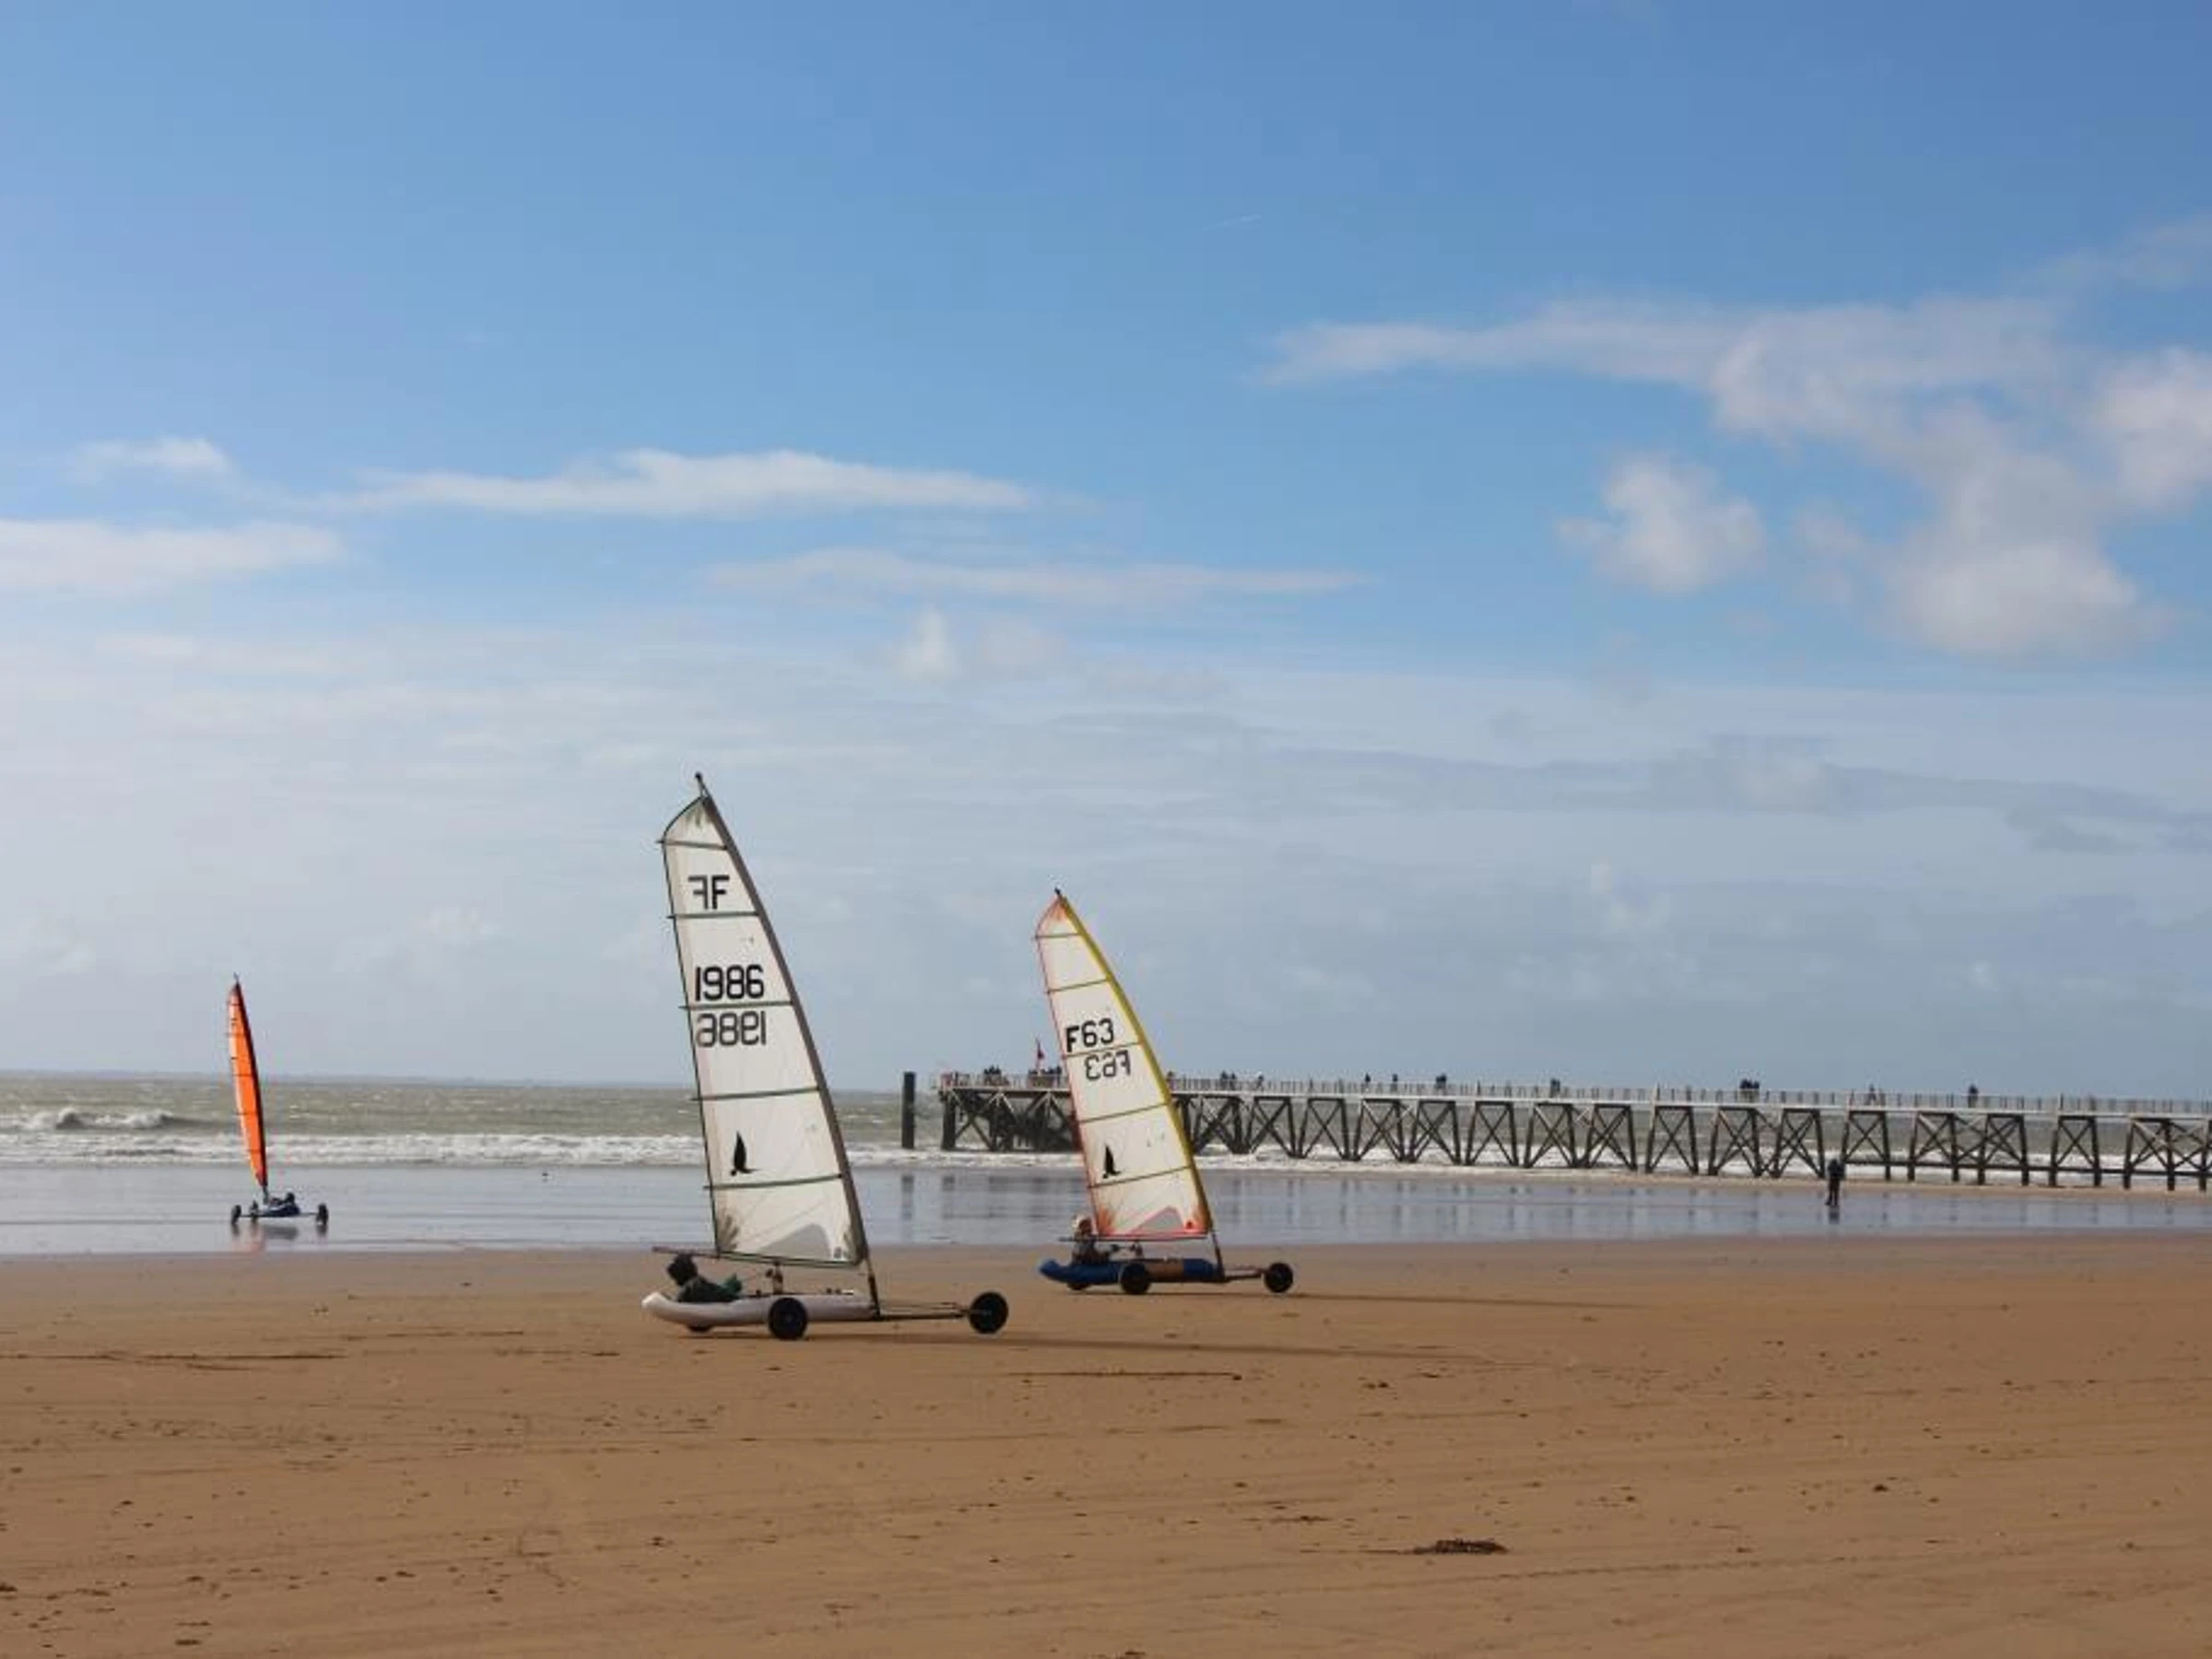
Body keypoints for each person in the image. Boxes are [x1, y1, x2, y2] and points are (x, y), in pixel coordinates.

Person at [665, 1252, 744, 1304]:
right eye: (692, 1264)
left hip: (719, 1297)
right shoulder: (694, 1284)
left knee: (729, 1285)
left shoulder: (691, 1287)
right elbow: (721, 1294)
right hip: (721, 1298)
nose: (695, 1265)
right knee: (730, 1285)